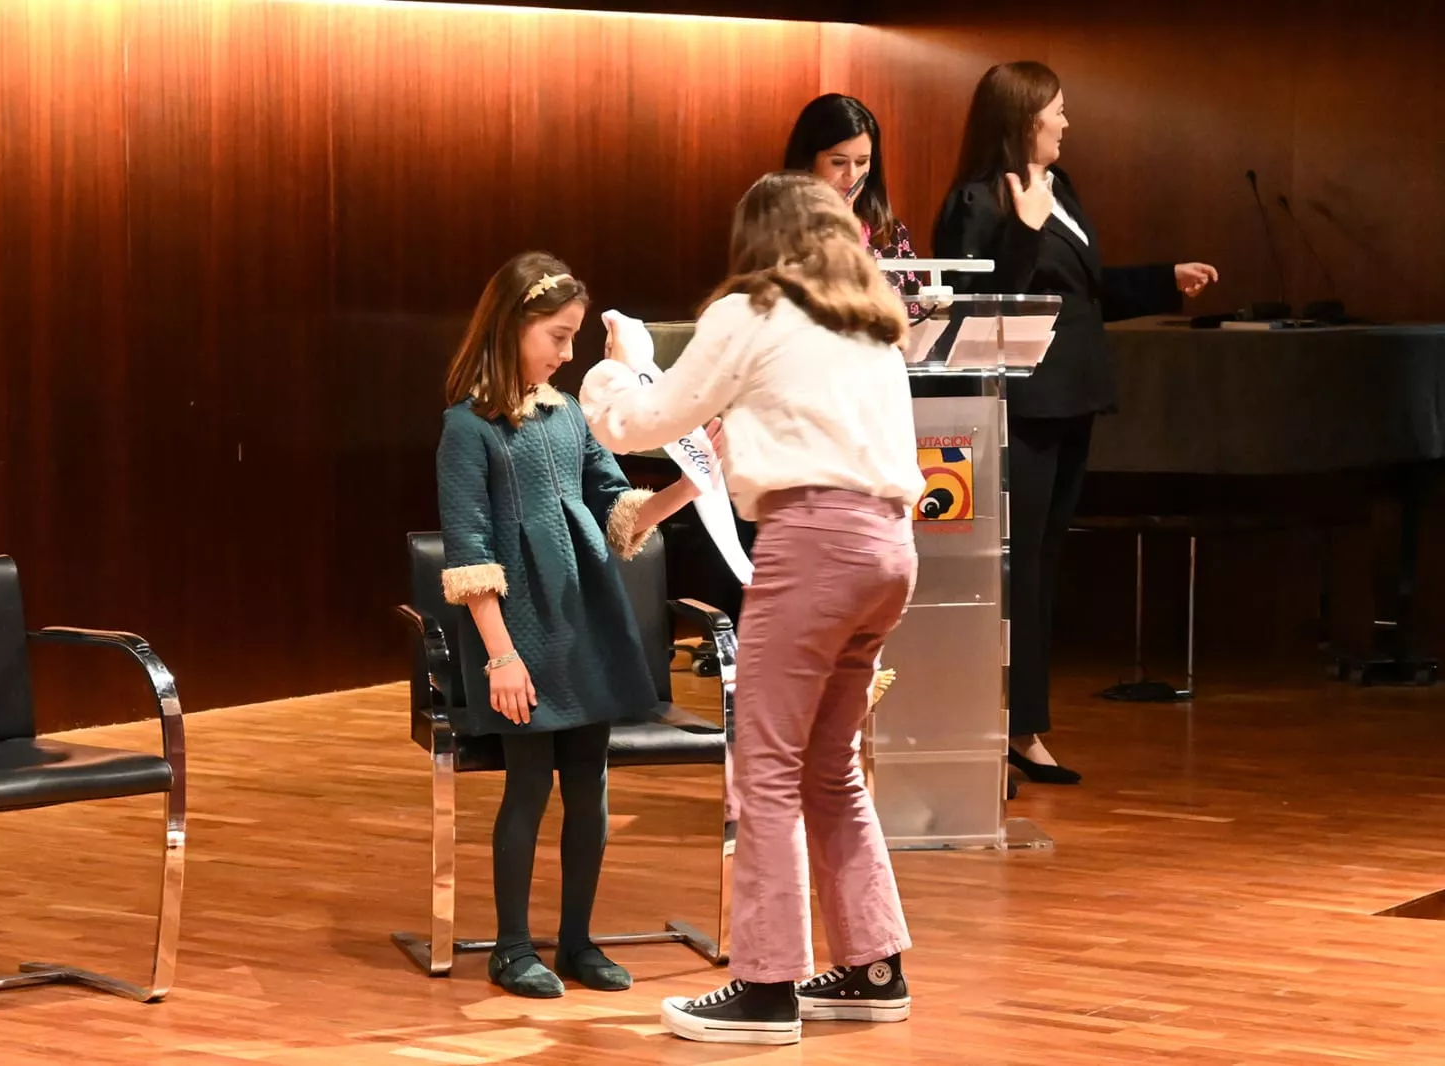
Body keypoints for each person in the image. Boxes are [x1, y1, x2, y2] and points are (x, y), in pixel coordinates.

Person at [581, 172, 922, 1045]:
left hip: (813, 545)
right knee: (830, 765)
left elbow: (643, 423)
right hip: (890, 550)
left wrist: (616, 369)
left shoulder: (752, 311)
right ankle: (873, 966)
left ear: (757, 241)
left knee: (764, 765)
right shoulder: (874, 328)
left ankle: (766, 986)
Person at [933, 61, 1217, 788]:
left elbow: (1082, 291)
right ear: (1024, 117)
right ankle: (1005, 724)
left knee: (1043, 564)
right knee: (1013, 567)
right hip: (1018, 408)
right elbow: (976, 302)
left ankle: (1023, 725)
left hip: (1072, 399)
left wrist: (1163, 280)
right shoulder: (976, 199)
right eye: (1056, 110)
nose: (1066, 122)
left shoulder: (1061, 187)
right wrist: (1022, 231)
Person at [436, 251, 706, 998]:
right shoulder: (468, 428)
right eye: (557, 336)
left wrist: (690, 485)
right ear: (512, 325)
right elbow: (470, 552)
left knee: (590, 786)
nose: (567, 353)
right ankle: (512, 947)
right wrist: (501, 657)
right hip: (520, 635)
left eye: (574, 337)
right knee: (528, 786)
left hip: (584, 621)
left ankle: (579, 942)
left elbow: (621, 514)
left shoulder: (566, 419)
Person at [784, 92, 918, 298]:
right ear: (808, 162)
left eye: (862, 161)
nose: (852, 175)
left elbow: (918, 309)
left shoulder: (891, 233)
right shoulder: (784, 235)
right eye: (838, 162)